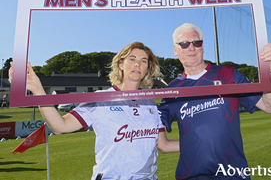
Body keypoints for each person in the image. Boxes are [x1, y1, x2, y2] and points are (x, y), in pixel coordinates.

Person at [9, 42, 179, 180]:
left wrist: (203, 142)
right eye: (132, 58)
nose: (138, 64)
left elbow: (163, 145)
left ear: (148, 68)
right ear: (121, 63)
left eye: (144, 61)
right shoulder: (101, 99)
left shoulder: (150, 104)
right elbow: (60, 126)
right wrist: (38, 90)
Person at [159, 23, 271, 180]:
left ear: (203, 47)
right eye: (184, 44)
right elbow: (162, 145)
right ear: (175, 50)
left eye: (197, 42)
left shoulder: (228, 74)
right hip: (191, 176)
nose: (191, 48)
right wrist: (196, 144)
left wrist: (268, 70)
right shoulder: (171, 91)